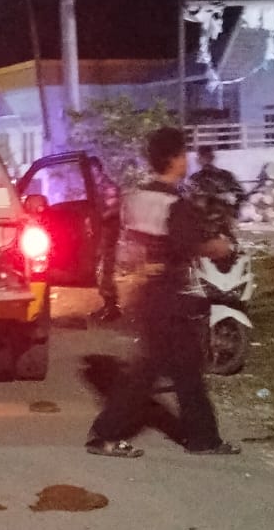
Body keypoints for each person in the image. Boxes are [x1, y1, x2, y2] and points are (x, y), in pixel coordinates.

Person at [86, 127, 241, 459]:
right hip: (169, 294)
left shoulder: (136, 198)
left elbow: (125, 240)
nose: (187, 160)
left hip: (146, 290)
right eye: (183, 154)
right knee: (149, 371)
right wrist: (218, 247)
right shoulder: (175, 204)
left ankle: (204, 438)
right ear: (173, 159)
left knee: (186, 366)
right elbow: (187, 245)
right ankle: (105, 433)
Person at [89, 163, 124, 322]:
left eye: (93, 169)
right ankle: (107, 305)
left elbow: (114, 209)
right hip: (102, 233)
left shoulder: (108, 186)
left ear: (99, 169)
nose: (91, 172)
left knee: (106, 270)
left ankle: (112, 308)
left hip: (108, 233)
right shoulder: (95, 187)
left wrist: (98, 218)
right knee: (101, 270)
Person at [188, 145, 246, 219]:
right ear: (198, 160)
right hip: (202, 219)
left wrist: (228, 198)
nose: (206, 159)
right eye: (203, 156)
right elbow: (189, 201)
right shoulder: (194, 179)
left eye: (208, 156)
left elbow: (240, 195)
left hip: (224, 219)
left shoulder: (226, 176)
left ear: (212, 157)